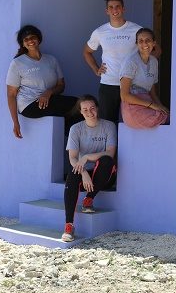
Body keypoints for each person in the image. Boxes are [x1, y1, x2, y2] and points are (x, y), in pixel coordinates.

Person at [83, 0, 159, 123]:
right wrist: (96, 69)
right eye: (111, 7)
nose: (115, 10)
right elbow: (86, 52)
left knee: (134, 122)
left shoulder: (136, 29)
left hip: (133, 85)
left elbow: (156, 50)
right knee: (108, 123)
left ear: (124, 9)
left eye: (118, 6)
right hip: (109, 83)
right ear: (106, 11)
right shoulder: (100, 32)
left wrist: (142, 64)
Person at [6, 25, 79, 139]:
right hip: (29, 105)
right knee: (79, 104)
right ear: (22, 44)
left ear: (39, 39)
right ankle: (75, 144)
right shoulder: (17, 63)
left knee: (81, 106)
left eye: (33, 37)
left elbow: (61, 85)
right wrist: (15, 123)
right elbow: (11, 94)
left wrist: (49, 92)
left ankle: (74, 143)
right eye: (26, 39)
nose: (30, 40)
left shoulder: (51, 60)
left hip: (49, 99)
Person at [62, 95, 117, 242]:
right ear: (80, 112)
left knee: (106, 161)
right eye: (85, 109)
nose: (89, 112)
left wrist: (86, 157)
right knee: (73, 174)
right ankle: (69, 225)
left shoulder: (109, 126)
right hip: (85, 175)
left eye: (92, 108)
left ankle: (89, 199)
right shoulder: (76, 129)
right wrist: (84, 172)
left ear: (97, 108)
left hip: (105, 175)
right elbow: (73, 157)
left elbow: (110, 153)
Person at [119, 28, 169, 128]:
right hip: (133, 106)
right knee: (166, 120)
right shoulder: (131, 62)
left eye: (148, 40)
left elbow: (152, 92)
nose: (144, 44)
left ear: (154, 43)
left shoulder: (154, 61)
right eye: (140, 41)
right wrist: (151, 105)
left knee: (170, 116)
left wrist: (160, 106)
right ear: (137, 44)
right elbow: (124, 96)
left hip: (148, 103)